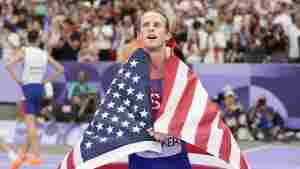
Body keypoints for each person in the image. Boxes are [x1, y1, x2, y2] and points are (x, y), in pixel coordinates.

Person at [128, 10, 192, 169]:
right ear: (138, 35)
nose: (151, 28)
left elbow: (194, 112)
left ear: (167, 34)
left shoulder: (182, 73)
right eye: (146, 25)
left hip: (173, 158)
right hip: (141, 158)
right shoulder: (128, 75)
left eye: (156, 25)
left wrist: (168, 128)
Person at [6, 30, 64, 169]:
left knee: (30, 124)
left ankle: (37, 155)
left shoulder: (25, 51)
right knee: (32, 123)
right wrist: (46, 81)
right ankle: (23, 153)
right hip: (39, 88)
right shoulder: (44, 53)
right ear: (38, 40)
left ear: (27, 39)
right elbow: (60, 69)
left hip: (27, 88)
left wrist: (18, 80)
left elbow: (8, 65)